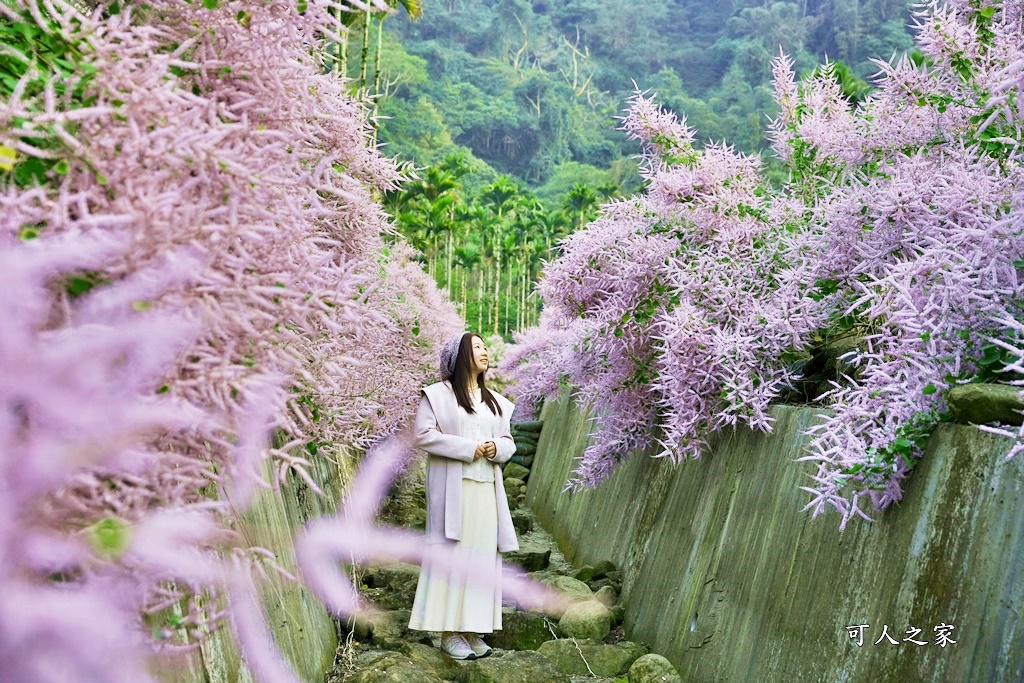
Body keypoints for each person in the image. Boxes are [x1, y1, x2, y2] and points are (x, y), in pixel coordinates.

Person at [407, 331, 519, 660]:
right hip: (453, 489)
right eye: (477, 347)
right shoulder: (438, 395)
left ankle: (472, 629)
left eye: (486, 347)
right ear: (458, 356)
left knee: (482, 559)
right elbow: (423, 435)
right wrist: (469, 448)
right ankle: (448, 632)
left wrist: (496, 447)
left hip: (486, 490)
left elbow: (509, 441)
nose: (485, 352)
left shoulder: (495, 401)